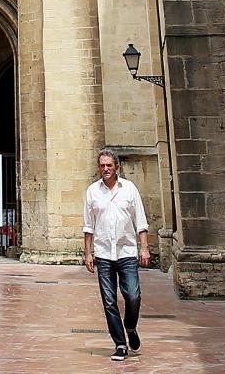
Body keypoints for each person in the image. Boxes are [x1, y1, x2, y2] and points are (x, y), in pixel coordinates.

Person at [83, 147, 150, 362]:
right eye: (102, 165)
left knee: (133, 296)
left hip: (127, 251)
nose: (105, 169)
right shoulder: (92, 191)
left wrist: (144, 247)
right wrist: (88, 253)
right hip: (103, 253)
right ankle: (120, 343)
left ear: (116, 167)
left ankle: (130, 327)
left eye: (109, 165)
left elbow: (140, 221)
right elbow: (88, 225)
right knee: (109, 301)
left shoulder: (129, 189)